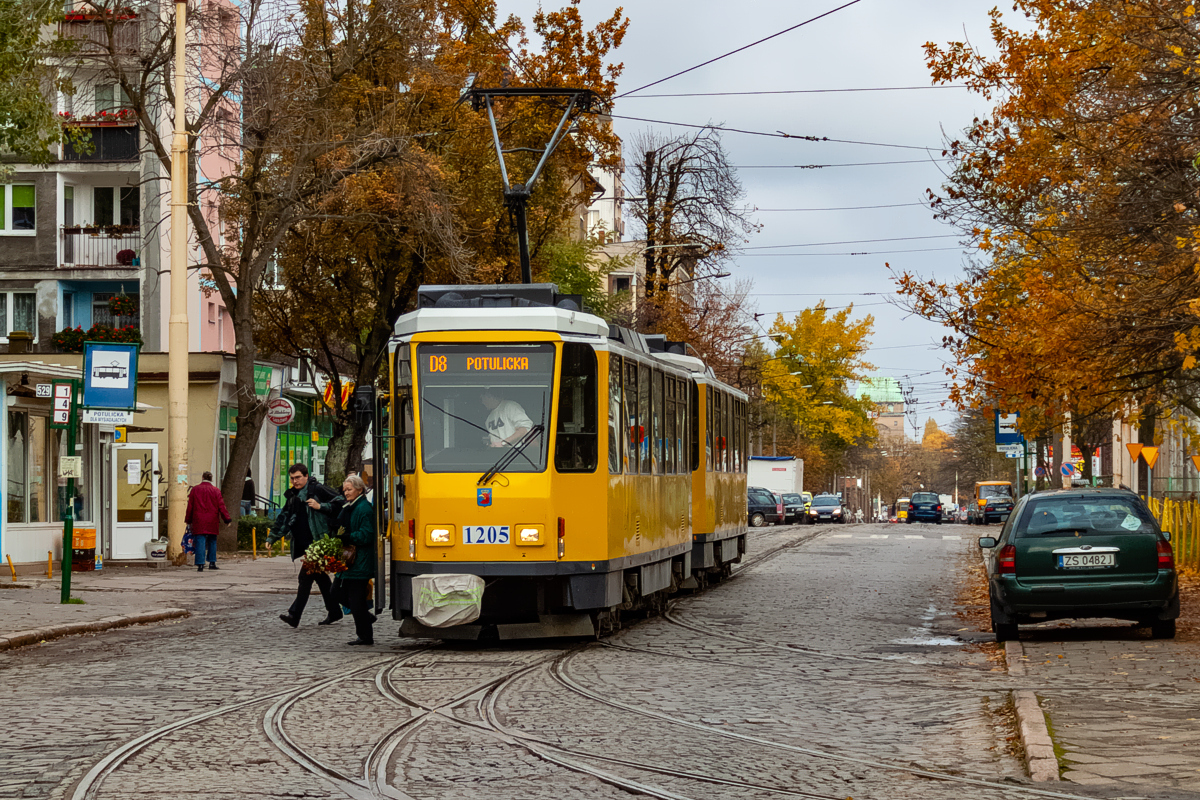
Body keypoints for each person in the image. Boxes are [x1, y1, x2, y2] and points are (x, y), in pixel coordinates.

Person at [268, 464, 342, 628]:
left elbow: (340, 503)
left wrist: (320, 506)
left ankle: (294, 616)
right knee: (321, 579)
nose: (295, 481)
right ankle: (336, 610)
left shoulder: (318, 490)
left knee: (305, 578)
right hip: (307, 545)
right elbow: (284, 518)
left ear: (306, 476)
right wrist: (272, 537)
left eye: (298, 477)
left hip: (320, 543)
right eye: (292, 478)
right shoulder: (293, 496)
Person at [318, 474, 376, 645]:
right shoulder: (350, 506)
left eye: (349, 489)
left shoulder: (363, 508)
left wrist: (348, 537)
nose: (346, 493)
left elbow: (367, 534)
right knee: (336, 592)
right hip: (349, 561)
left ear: (359, 489)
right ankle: (365, 618)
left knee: (355, 599)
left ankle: (365, 635)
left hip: (359, 561)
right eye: (344, 490)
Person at [184, 472, 231, 572]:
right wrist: (227, 519)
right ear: (211, 479)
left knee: (200, 541)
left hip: (199, 520)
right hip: (212, 520)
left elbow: (190, 506)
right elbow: (221, 506)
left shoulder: (195, 490)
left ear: (202, 478)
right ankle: (212, 562)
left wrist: (188, 519)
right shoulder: (216, 491)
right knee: (212, 541)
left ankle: (200, 564)